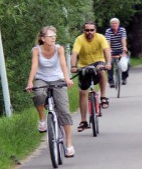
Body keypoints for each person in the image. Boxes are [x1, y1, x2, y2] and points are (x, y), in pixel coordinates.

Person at [26, 26, 75, 157]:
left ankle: (68, 144)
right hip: (42, 79)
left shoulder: (59, 49)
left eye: (54, 36)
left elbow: (64, 64)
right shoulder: (36, 50)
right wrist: (30, 82)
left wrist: (67, 78)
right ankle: (42, 119)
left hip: (58, 79)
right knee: (39, 94)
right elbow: (34, 66)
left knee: (64, 110)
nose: (53, 38)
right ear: (43, 38)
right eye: (50, 36)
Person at [71, 21, 111, 132]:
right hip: (83, 66)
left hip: (98, 63)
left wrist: (108, 63)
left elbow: (106, 50)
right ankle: (83, 121)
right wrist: (73, 66)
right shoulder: (79, 39)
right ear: (84, 31)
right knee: (82, 92)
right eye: (87, 30)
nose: (89, 32)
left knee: (101, 70)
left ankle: (103, 97)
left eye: (92, 30)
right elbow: (74, 53)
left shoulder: (100, 38)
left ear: (95, 30)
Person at [105, 18, 129, 87]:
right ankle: (111, 81)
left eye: (115, 23)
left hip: (121, 50)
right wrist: (109, 50)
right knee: (110, 63)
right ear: (110, 25)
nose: (114, 24)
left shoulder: (122, 30)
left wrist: (124, 47)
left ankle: (124, 78)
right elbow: (108, 41)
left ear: (118, 24)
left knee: (127, 63)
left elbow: (123, 39)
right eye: (112, 23)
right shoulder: (108, 31)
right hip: (112, 50)